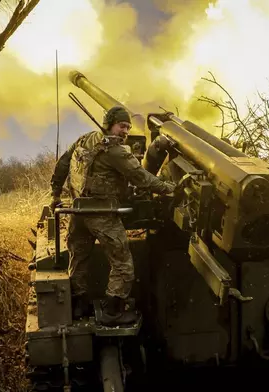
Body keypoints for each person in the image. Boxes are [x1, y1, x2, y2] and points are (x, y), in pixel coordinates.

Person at [50, 106, 175, 326]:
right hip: (103, 214)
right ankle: (112, 309)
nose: (125, 131)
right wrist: (168, 188)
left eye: (127, 127)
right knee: (123, 264)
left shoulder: (85, 139)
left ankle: (79, 304)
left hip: (77, 211)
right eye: (121, 126)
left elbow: (63, 163)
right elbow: (140, 177)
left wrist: (56, 193)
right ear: (109, 124)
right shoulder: (115, 151)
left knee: (79, 258)